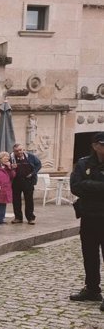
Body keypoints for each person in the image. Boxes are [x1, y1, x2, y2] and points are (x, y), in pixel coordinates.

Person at [69, 132, 104, 309]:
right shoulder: (84, 163)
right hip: (89, 216)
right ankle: (92, 289)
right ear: (95, 145)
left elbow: (83, 186)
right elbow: (75, 186)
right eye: (102, 145)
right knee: (89, 255)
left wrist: (89, 186)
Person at [9, 143, 41, 224]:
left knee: (29, 200)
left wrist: (33, 173)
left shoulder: (30, 156)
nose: (19, 152)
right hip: (16, 182)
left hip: (28, 181)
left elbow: (39, 164)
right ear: (14, 151)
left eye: (20, 150)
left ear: (23, 149)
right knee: (16, 200)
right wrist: (11, 167)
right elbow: (5, 166)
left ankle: (30, 218)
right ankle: (18, 218)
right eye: (16, 151)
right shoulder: (11, 157)